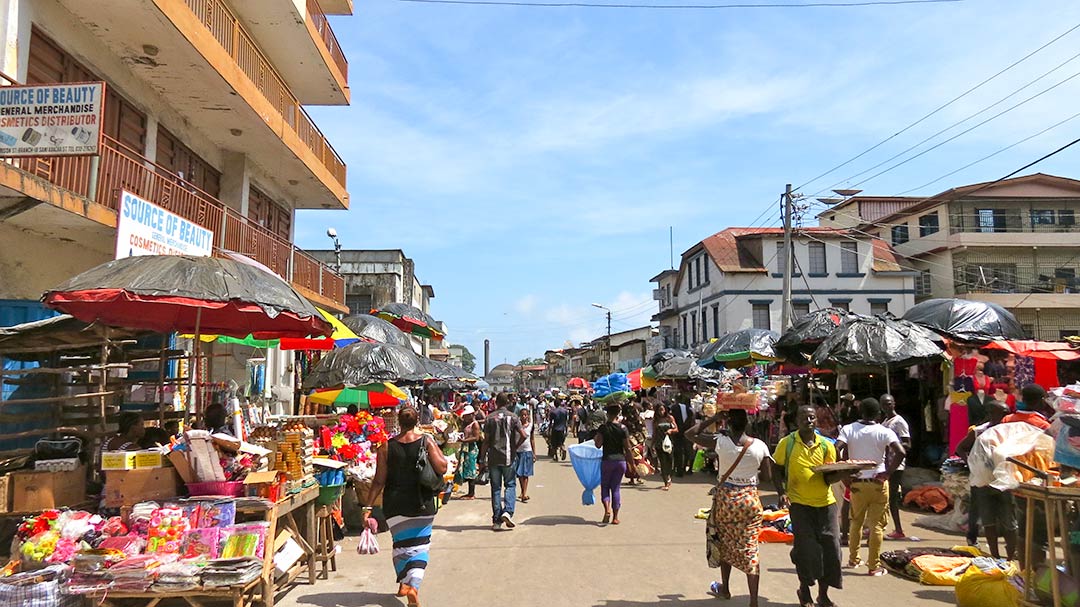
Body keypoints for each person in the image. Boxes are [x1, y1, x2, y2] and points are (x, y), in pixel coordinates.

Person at [363, 405, 448, 607]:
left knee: (400, 545)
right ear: (417, 420)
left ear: (398, 422)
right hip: (422, 503)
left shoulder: (386, 446)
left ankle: (403, 582)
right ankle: (413, 587)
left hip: (395, 504)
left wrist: (367, 507)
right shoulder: (426, 440)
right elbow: (442, 467)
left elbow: (378, 480)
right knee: (420, 547)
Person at [687, 409, 772, 607]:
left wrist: (714, 418)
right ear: (747, 423)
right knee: (750, 549)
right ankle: (753, 601)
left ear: (728, 423)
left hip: (726, 501)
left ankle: (725, 588)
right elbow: (767, 476)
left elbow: (690, 434)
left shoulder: (721, 441)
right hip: (750, 501)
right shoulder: (760, 445)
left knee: (724, 543)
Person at [774, 405, 844, 607]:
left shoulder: (826, 445)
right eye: (805, 418)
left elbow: (829, 477)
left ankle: (824, 594)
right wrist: (782, 492)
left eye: (812, 418)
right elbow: (776, 469)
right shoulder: (786, 444)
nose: (809, 421)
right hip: (800, 505)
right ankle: (805, 589)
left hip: (826, 504)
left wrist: (844, 473)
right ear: (797, 421)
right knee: (807, 549)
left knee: (831, 548)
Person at [836, 398, 904, 576]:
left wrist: (845, 471)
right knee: (877, 526)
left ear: (860, 412)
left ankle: (853, 559)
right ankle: (873, 566)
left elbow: (837, 448)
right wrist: (888, 473)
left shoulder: (848, 429)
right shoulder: (884, 431)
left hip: (857, 482)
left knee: (856, 521)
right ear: (878, 413)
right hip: (878, 483)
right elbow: (901, 452)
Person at [955, 400, 1010, 549]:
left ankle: (1008, 544)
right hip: (981, 476)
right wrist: (972, 464)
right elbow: (960, 448)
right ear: (992, 413)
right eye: (1003, 413)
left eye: (1007, 412)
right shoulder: (979, 431)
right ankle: (972, 537)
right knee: (977, 508)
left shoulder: (1008, 431)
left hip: (1001, 476)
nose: (1007, 415)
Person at [482, 393, 527, 531]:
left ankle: (496, 520)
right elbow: (524, 435)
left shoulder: (489, 418)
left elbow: (486, 441)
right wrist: (515, 447)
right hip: (508, 457)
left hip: (494, 457)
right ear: (507, 403)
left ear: (496, 403)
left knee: (496, 488)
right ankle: (508, 511)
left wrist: (481, 458)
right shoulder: (513, 417)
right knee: (510, 485)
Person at [593, 403, 633, 525]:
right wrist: (632, 464)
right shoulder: (623, 428)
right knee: (615, 489)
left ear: (607, 414)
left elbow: (598, 445)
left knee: (605, 487)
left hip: (607, 461)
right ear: (618, 414)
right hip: (620, 461)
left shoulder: (603, 428)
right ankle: (615, 517)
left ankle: (607, 510)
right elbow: (628, 448)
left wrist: (597, 437)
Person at [880, 394, 911, 540]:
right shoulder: (885, 421)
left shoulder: (899, 422)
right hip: (885, 463)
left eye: (889, 403)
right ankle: (880, 525)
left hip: (896, 465)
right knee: (883, 496)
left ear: (894, 404)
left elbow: (907, 444)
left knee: (892, 498)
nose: (887, 406)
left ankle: (899, 529)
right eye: (884, 404)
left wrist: (892, 444)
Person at [455, 406, 481, 500]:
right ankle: (469, 492)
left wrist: (464, 440)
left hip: (471, 449)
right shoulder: (466, 423)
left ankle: (471, 493)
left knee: (471, 470)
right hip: (466, 448)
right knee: (466, 469)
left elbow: (476, 437)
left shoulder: (475, 424)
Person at [652, 403, 678, 490]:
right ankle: (666, 482)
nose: (661, 412)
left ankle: (669, 476)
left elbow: (676, 429)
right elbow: (654, 433)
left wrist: (671, 430)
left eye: (662, 410)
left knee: (670, 461)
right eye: (659, 410)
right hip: (659, 443)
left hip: (669, 443)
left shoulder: (670, 418)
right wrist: (652, 444)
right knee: (662, 463)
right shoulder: (656, 420)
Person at [671, 397, 696, 476]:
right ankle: (686, 468)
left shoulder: (676, 408)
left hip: (681, 433)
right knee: (688, 451)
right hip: (689, 433)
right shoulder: (691, 410)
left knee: (679, 451)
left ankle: (679, 468)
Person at [515, 409, 536, 502]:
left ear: (528, 416)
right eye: (522, 415)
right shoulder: (517, 426)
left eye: (525, 415)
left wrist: (534, 453)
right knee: (519, 473)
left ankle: (524, 493)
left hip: (527, 451)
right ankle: (522, 491)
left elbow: (532, 439)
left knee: (526, 473)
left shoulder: (531, 426)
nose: (524, 417)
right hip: (518, 451)